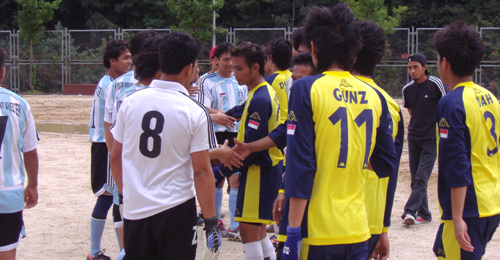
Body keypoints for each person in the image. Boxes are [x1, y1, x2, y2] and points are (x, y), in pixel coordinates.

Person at [282, 4, 396, 260]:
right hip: (357, 228)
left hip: (317, 230)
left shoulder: (306, 89)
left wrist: (292, 232)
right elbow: (388, 163)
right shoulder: (375, 96)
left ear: (313, 47)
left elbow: (301, 165)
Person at [109, 31, 221, 259]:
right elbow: (201, 171)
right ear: (190, 67)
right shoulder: (194, 111)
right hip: (176, 209)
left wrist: (124, 196)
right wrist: (210, 221)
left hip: (136, 209)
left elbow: (115, 156)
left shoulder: (130, 102)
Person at [432, 20, 500, 260]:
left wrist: (458, 217)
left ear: (445, 62)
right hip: (491, 203)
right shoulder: (490, 97)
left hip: (469, 208)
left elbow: (457, 164)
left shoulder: (451, 102)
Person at [215, 41, 283, 260]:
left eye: (239, 68)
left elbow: (250, 149)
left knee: (247, 230)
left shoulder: (262, 98)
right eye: (233, 68)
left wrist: (221, 172)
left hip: (260, 171)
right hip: (264, 171)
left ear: (255, 67)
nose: (235, 73)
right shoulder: (259, 92)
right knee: (258, 230)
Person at [351, 20, 404, 260]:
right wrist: (382, 228)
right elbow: (388, 170)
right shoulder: (389, 103)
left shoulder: (323, 91)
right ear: (381, 55)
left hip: (332, 214)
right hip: (370, 215)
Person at [199, 42, 248, 240]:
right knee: (216, 179)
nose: (229, 64)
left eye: (232, 60)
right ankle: (215, 219)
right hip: (215, 134)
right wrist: (219, 114)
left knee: (235, 178)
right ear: (215, 60)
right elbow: (200, 107)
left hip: (237, 134)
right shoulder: (206, 81)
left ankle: (235, 226)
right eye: (225, 59)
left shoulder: (241, 79)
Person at [88, 39, 131, 260]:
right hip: (105, 145)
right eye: (125, 58)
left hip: (106, 143)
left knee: (114, 196)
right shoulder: (110, 84)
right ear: (112, 61)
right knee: (110, 196)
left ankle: (119, 250)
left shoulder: (111, 82)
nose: (130, 62)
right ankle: (96, 251)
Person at [0, 47, 38, 260]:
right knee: (7, 252)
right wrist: (32, 184)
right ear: (3, 72)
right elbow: (30, 151)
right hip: (9, 193)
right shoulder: (20, 104)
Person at [401, 52, 447, 225]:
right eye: (410, 68)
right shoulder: (407, 89)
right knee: (415, 178)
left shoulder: (436, 84)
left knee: (421, 177)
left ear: (424, 67)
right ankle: (425, 213)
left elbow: (445, 106)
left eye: (415, 67)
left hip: (431, 139)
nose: (412, 71)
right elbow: (412, 112)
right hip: (413, 138)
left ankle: (409, 211)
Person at [265, 38, 292, 124]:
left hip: (277, 128)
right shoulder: (295, 78)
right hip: (293, 126)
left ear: (270, 58)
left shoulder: (267, 82)